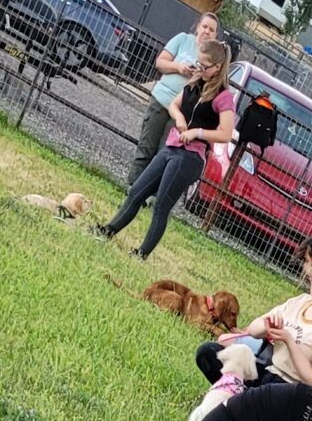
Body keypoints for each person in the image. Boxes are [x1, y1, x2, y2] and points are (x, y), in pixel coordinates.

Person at [191, 242, 312, 421]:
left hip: (291, 392)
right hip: (268, 373)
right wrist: (266, 327)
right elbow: (253, 329)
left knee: (258, 395)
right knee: (208, 352)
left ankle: (238, 406)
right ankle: (240, 405)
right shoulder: (301, 302)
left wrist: (289, 341)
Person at [101, 44, 238, 260]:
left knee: (161, 206)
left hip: (190, 157)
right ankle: (107, 231)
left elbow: (225, 133)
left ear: (218, 67)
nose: (199, 68)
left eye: (204, 65)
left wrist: (197, 132)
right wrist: (180, 118)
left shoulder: (223, 97)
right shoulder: (194, 83)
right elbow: (174, 105)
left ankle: (141, 254)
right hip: (172, 146)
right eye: (198, 63)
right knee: (136, 192)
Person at [126, 7, 222, 192]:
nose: (207, 31)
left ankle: (149, 194)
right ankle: (132, 187)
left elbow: (211, 87)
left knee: (164, 154)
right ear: (197, 27)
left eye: (211, 29)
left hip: (182, 113)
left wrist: (199, 75)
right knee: (146, 145)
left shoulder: (212, 59)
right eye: (205, 26)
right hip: (161, 100)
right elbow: (160, 63)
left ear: (215, 35)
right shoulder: (182, 40)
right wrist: (179, 67)